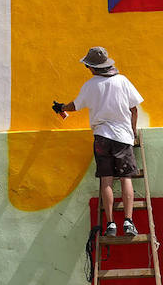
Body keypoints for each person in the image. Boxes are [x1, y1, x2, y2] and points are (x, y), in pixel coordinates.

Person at [53, 46, 143, 237]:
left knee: (106, 179)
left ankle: (110, 224)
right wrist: (132, 133)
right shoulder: (123, 81)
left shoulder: (90, 85)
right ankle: (128, 221)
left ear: (92, 67)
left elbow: (75, 106)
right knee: (126, 178)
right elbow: (134, 109)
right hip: (123, 137)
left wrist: (61, 106)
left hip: (101, 137)